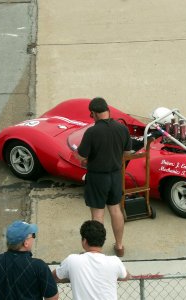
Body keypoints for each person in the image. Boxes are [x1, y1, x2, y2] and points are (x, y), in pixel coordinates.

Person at [76, 97, 132, 257]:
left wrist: (80, 156)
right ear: (108, 110)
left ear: (93, 113)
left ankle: (95, 251)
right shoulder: (122, 129)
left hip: (97, 177)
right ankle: (119, 246)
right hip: (115, 175)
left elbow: (81, 156)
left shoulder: (92, 132)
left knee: (98, 214)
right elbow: (127, 153)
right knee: (115, 210)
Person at [0, 220, 59, 300]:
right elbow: (53, 297)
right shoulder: (39, 266)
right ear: (25, 243)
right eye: (33, 235)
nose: (34, 238)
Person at [52, 220, 130, 300]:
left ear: (84, 241)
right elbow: (126, 276)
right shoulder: (115, 261)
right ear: (103, 241)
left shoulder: (72, 260)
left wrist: (71, 274)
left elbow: (53, 277)